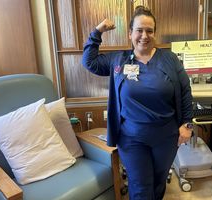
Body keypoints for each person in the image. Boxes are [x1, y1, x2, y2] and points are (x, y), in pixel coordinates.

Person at [82, 6, 193, 200]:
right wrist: (97, 32)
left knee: (159, 183)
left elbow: (185, 91)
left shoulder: (170, 59)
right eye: (139, 30)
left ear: (155, 33)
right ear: (130, 33)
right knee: (140, 186)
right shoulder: (119, 60)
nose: (144, 36)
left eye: (149, 31)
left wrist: (187, 124)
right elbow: (89, 62)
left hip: (166, 137)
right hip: (132, 138)